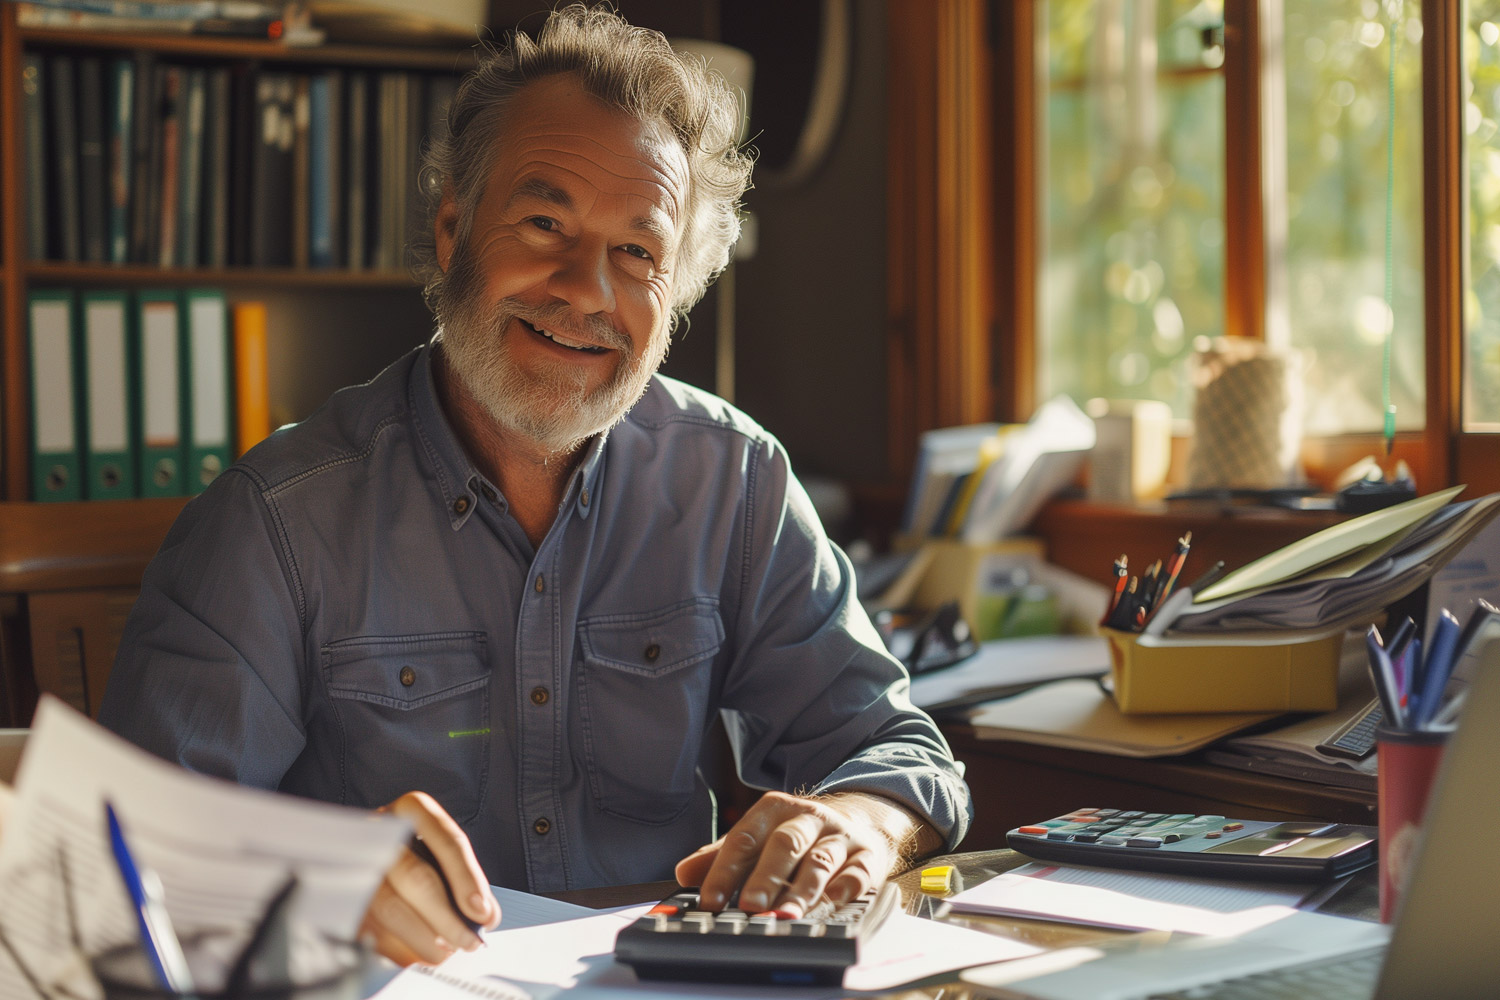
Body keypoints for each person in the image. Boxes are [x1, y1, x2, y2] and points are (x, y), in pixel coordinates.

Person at [100, 3, 971, 968]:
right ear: (452, 231)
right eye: (544, 220)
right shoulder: (276, 522)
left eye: (638, 252)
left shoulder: (734, 481)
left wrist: (860, 821)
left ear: (675, 290)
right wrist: (324, 881)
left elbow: (897, 751)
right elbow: (128, 857)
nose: (586, 288)